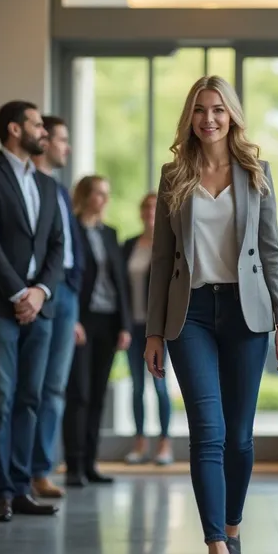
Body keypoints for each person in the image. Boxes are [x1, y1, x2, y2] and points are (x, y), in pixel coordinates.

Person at [144, 75, 278, 554]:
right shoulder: (173, 176)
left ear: (232, 116)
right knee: (206, 432)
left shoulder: (256, 172)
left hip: (247, 312)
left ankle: (233, 529)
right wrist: (153, 332)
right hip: (191, 316)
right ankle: (217, 552)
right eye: (200, 110)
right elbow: (162, 260)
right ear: (190, 117)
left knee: (239, 437)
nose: (209, 119)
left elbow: (271, 252)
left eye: (218, 110)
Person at [0, 101, 65, 522]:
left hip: (42, 308)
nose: (44, 133)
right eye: (36, 125)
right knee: (0, 397)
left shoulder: (48, 185)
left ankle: (21, 486)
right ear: (15, 129)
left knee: (29, 398)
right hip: (0, 306)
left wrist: (41, 292)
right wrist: (18, 293)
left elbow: (56, 245)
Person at [62, 175, 131, 487]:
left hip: (108, 321)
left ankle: (90, 464)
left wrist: (125, 326)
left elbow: (121, 284)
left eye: (107, 194)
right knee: (79, 393)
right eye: (99, 193)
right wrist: (71, 318)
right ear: (85, 196)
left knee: (99, 396)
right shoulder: (71, 228)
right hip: (82, 320)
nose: (104, 199)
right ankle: (74, 465)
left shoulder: (110, 233)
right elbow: (66, 278)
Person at [30, 116, 84, 499]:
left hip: (67, 292)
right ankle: (23, 473)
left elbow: (70, 244)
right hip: (39, 291)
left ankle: (41, 471)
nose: (67, 148)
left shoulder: (60, 190)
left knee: (54, 388)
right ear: (44, 140)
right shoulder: (26, 185)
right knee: (29, 387)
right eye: (62, 140)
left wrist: (75, 291)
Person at [123, 192, 173, 466]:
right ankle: (140, 441)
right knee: (136, 387)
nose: (149, 214)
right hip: (133, 326)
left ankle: (164, 444)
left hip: (160, 329)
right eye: (146, 209)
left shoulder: (168, 245)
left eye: (155, 209)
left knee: (160, 386)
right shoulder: (129, 245)